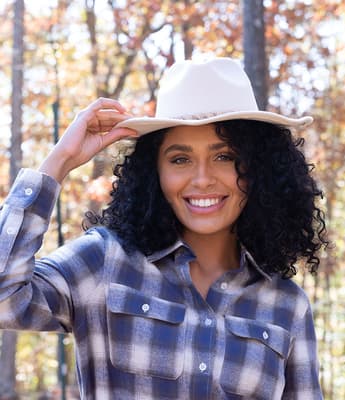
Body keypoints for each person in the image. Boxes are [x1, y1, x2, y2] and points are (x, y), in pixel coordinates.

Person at [0, 58, 327, 399]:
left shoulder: (287, 306)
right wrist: (59, 162)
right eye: (180, 159)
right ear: (154, 172)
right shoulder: (104, 262)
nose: (202, 179)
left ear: (259, 168)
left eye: (225, 156)